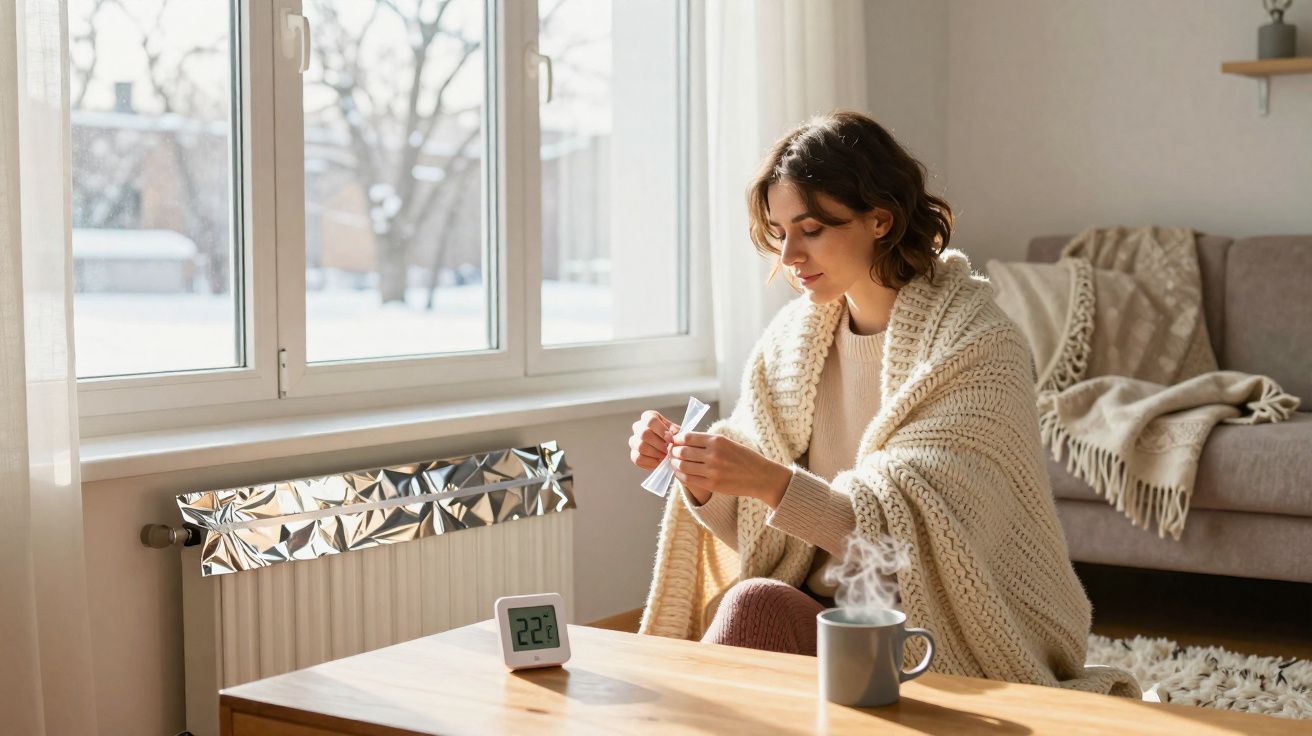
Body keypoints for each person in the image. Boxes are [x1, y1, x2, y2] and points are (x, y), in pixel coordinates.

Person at [627, 110, 1138, 697]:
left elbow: (907, 550)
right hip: (828, 618)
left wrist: (771, 483)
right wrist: (699, 473)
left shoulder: (976, 344)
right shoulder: (789, 344)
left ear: (879, 219)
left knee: (753, 611)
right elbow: (761, 534)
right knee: (756, 606)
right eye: (778, 230)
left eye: (812, 228)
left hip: (938, 635)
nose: (789, 253)